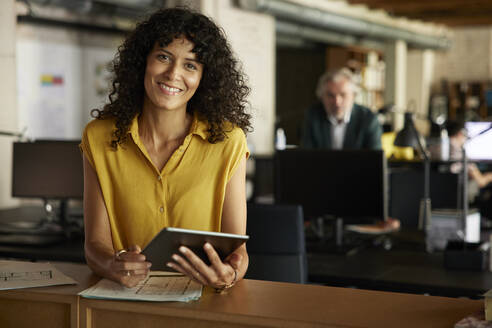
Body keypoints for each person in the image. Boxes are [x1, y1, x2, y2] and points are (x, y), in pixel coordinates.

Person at [80, 7, 252, 291]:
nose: (173, 74)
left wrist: (230, 274)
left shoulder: (228, 141)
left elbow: (237, 251)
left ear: (204, 77)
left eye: (191, 65)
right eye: (164, 57)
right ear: (143, 62)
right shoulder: (99, 138)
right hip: (124, 302)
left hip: (201, 301)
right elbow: (95, 246)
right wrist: (113, 264)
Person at [301, 68, 382, 150]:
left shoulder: (368, 119)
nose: (337, 102)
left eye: (343, 95)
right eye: (330, 95)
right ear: (321, 97)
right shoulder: (313, 116)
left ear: (353, 96)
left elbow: (375, 158)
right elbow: (307, 154)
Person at [447, 120, 492, 189]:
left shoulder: (434, 148)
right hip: (456, 195)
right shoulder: (461, 155)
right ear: (460, 133)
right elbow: (480, 181)